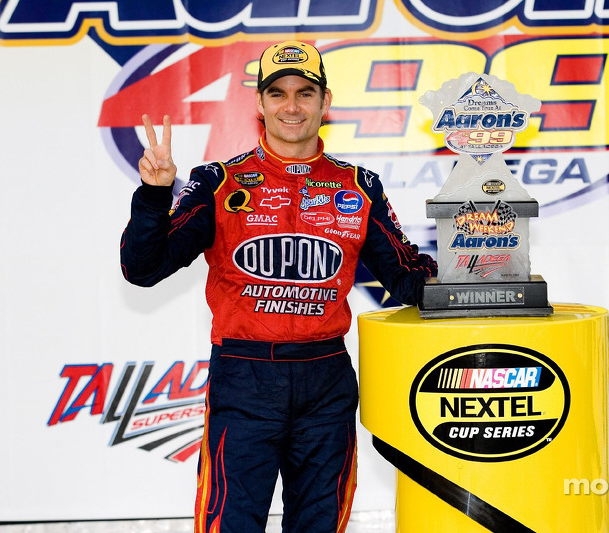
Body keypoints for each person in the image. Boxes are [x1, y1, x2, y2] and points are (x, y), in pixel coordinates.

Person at [121, 40, 437, 532]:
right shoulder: (219, 182)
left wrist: (475, 271)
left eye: (305, 92)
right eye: (279, 93)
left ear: (325, 102)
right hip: (244, 377)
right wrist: (154, 195)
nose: (292, 106)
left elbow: (404, 275)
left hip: (327, 378)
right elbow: (143, 268)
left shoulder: (359, 186)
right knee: (231, 524)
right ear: (260, 103)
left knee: (319, 524)